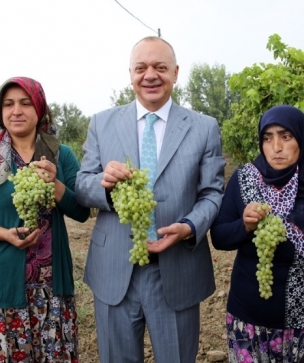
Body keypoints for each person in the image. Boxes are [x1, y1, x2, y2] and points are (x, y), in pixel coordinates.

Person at [75, 36, 225, 363]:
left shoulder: (204, 128)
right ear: (130, 74)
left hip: (176, 269)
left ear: (175, 72)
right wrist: (107, 187)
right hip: (115, 267)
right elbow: (82, 185)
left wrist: (188, 226)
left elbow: (212, 193)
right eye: (141, 67)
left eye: (160, 67)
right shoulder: (102, 123)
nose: (150, 75)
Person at [0, 77, 90, 363]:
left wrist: (56, 186)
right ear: (0, 112)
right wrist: (2, 233)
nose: (16, 110)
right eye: (8, 104)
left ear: (39, 109)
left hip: (53, 288)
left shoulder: (61, 155)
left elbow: (82, 212)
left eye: (25, 103)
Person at [211, 105, 304, 363]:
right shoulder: (245, 180)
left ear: (302, 139)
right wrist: (244, 226)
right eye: (268, 138)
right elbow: (219, 238)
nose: (276, 147)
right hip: (248, 323)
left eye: (286, 137)